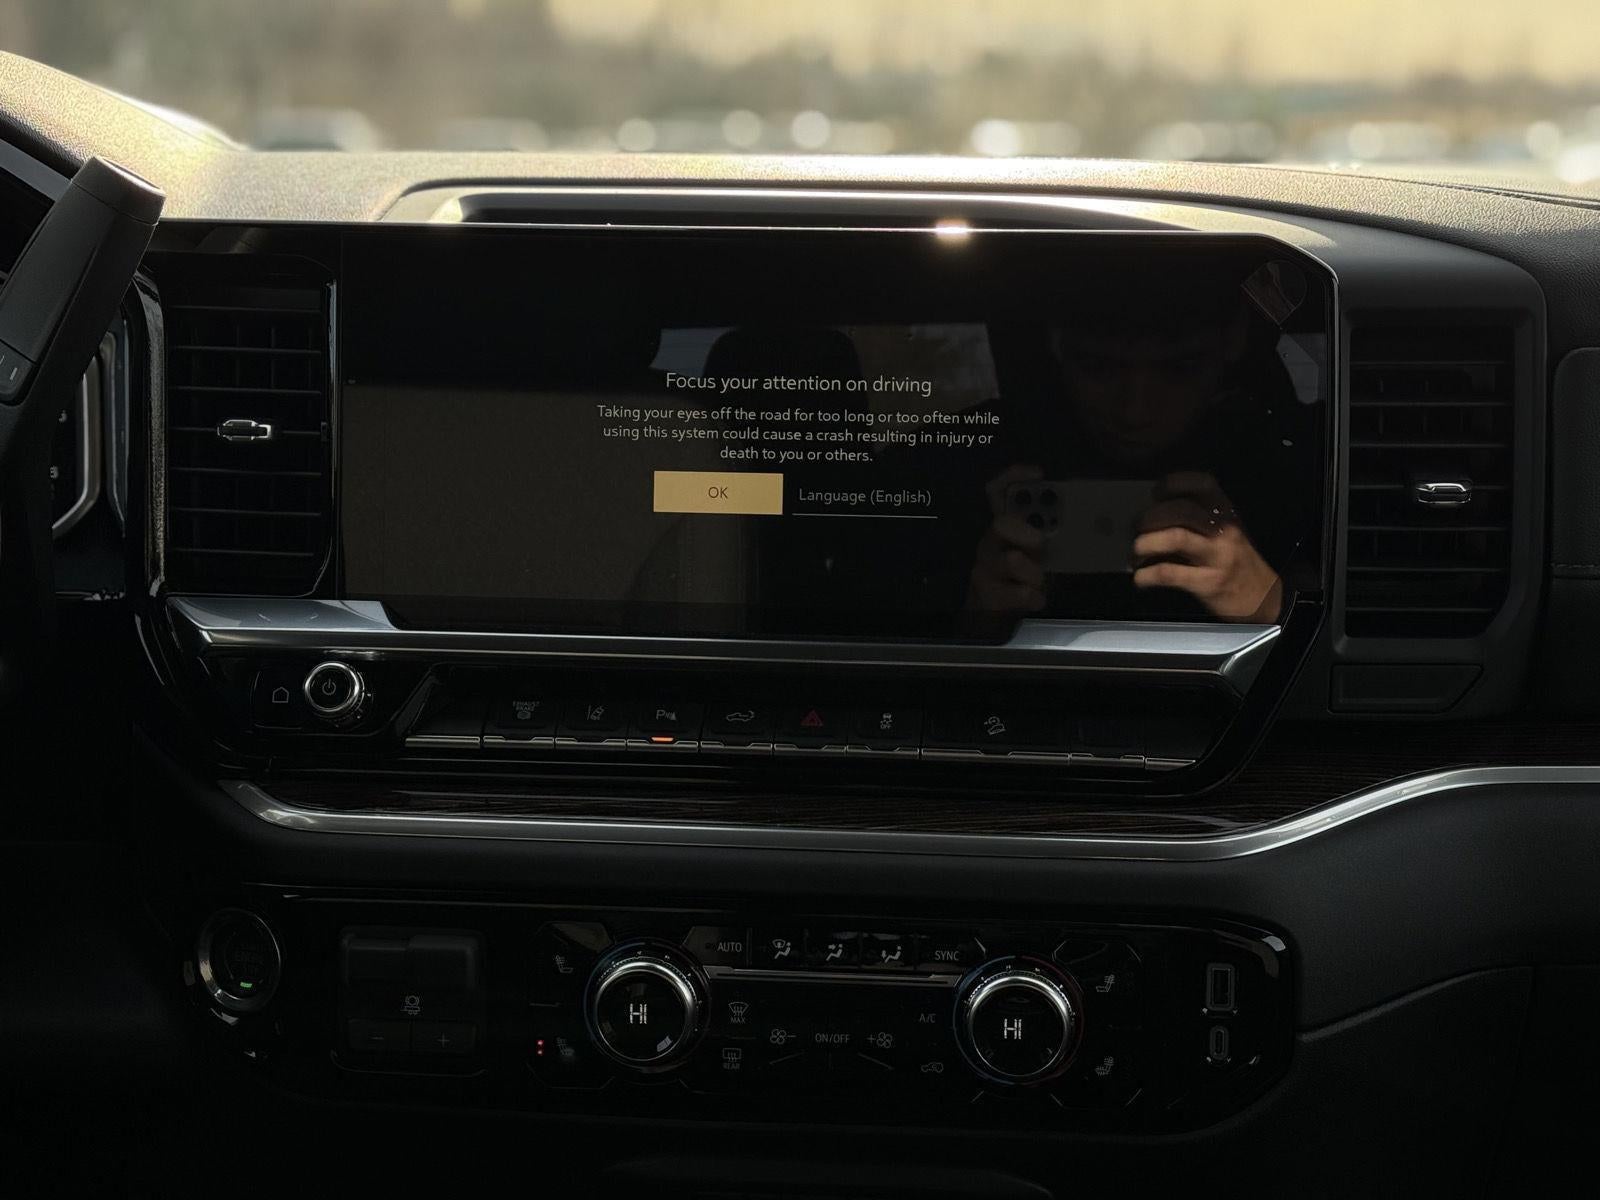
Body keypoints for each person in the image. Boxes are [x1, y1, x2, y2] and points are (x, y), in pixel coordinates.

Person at [963, 268, 1313, 625]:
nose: (1134, 410)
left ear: (1235, 339)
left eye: (1180, 368)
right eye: (1098, 366)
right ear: (1056, 341)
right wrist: (977, 619)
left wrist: (1268, 605)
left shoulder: (1300, 469)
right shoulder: (976, 454)